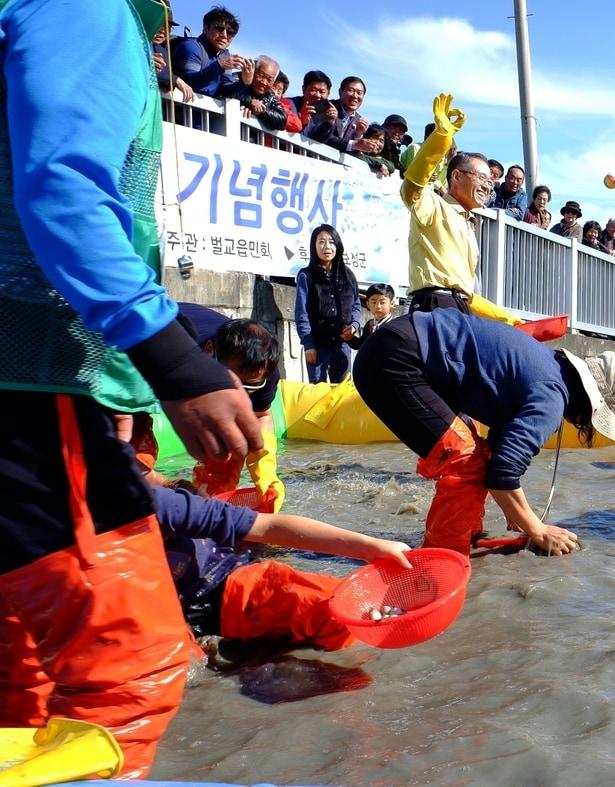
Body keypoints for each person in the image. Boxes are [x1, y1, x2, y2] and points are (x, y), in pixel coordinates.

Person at [0, 0, 261, 776]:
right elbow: (64, 186)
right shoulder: (85, 7)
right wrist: (172, 360)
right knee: (131, 669)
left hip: (47, 374)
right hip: (29, 370)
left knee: (23, 670)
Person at [352, 309, 615, 556]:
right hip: (396, 361)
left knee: (476, 452)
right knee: (465, 461)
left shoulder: (547, 368)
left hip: (397, 345)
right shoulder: (552, 396)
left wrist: (516, 514)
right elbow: (503, 473)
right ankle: (442, 559)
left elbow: (499, 452)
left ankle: (465, 538)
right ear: (589, 404)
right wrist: (536, 529)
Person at [151, 485, 411, 653]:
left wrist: (369, 547)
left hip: (230, 585)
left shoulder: (160, 502)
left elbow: (269, 527)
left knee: (335, 608)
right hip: (167, 617)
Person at [400, 94, 516, 323]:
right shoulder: (434, 205)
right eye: (481, 177)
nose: (487, 185)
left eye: (491, 180)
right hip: (433, 304)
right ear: (456, 176)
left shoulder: (468, 224)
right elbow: (411, 187)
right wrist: (441, 138)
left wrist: (506, 317)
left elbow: (465, 292)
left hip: (461, 308)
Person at [169, 305, 286, 512]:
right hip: (131, 337)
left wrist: (265, 468)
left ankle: (212, 498)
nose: (237, 396)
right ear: (209, 352)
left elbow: (261, 415)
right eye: (228, 383)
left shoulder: (263, 372)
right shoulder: (179, 351)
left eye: (248, 387)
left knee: (232, 439)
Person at [295, 224, 361, 384]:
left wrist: (354, 325)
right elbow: (301, 313)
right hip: (317, 345)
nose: (327, 247)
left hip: (343, 345)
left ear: (337, 245)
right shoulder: (306, 275)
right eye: (321, 242)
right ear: (314, 246)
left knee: (342, 392)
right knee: (318, 392)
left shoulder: (348, 275)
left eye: (331, 242)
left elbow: (356, 305)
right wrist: (308, 344)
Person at [173, 5, 245, 99]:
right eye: (219, 28)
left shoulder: (224, 54)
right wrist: (219, 66)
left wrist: (244, 81)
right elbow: (190, 82)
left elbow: (225, 89)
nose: (224, 35)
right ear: (206, 28)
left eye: (230, 32)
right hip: (180, 109)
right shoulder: (192, 46)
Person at [307, 76, 370, 153]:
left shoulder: (359, 121)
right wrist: (353, 144)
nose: (355, 96)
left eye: (359, 93)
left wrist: (358, 136)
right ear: (340, 92)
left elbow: (355, 154)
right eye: (351, 90)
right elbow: (317, 137)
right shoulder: (324, 107)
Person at [227, 55, 287, 131]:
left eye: (269, 80)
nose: (264, 82)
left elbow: (282, 121)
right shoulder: (237, 78)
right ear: (253, 70)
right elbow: (224, 89)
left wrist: (261, 111)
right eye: (261, 75)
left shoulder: (270, 95)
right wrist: (249, 101)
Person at [151, 8, 194, 102]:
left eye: (168, 27)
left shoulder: (162, 49)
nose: (163, 31)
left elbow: (166, 83)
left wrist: (173, 80)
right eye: (159, 24)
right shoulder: (136, 42)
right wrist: (176, 80)